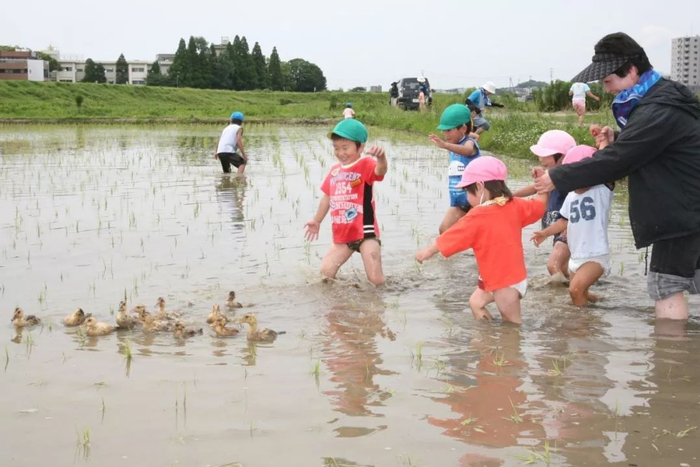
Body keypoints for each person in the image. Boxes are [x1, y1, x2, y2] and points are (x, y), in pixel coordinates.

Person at [534, 32, 700, 320]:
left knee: (666, 285)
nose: (606, 88)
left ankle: (670, 348)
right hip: (688, 206)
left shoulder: (658, 108)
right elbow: (648, 145)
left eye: (608, 80)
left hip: (685, 212)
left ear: (631, 71)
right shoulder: (663, 98)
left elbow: (618, 161)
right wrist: (620, 137)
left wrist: (558, 176)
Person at [416, 157, 548, 324]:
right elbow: (539, 206)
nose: (466, 196)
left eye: (467, 191)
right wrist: (543, 184)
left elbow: (452, 236)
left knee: (512, 324)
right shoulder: (514, 205)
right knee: (476, 303)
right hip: (506, 276)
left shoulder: (478, 215)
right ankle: (488, 335)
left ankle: (506, 341)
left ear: (479, 186)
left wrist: (428, 251)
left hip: (503, 282)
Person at [304, 119, 388, 285]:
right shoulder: (335, 171)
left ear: (360, 147)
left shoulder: (366, 164)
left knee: (375, 280)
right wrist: (316, 220)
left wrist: (381, 158)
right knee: (325, 274)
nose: (340, 152)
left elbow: (380, 171)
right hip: (343, 234)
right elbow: (327, 197)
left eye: (345, 148)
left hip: (365, 232)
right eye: (336, 148)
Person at [531, 145, 613, 306]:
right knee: (580, 292)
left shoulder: (601, 189)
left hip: (595, 255)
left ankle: (581, 321)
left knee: (575, 290)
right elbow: (563, 221)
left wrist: (604, 142)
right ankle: (603, 305)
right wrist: (545, 233)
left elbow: (607, 165)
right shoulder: (571, 196)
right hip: (576, 257)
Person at [513, 130, 576, 280]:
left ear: (562, 157)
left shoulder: (570, 178)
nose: (540, 159)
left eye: (545, 155)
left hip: (567, 229)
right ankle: (573, 286)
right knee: (562, 268)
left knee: (553, 265)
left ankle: (572, 290)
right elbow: (536, 187)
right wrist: (512, 195)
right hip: (557, 227)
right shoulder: (551, 173)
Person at [428, 104, 481, 233]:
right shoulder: (455, 143)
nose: (445, 134)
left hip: (473, 200)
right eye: (443, 131)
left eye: (449, 130)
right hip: (457, 200)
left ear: (463, 128)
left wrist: (445, 145)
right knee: (444, 230)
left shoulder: (468, 143)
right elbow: (475, 136)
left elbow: (467, 150)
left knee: (472, 233)